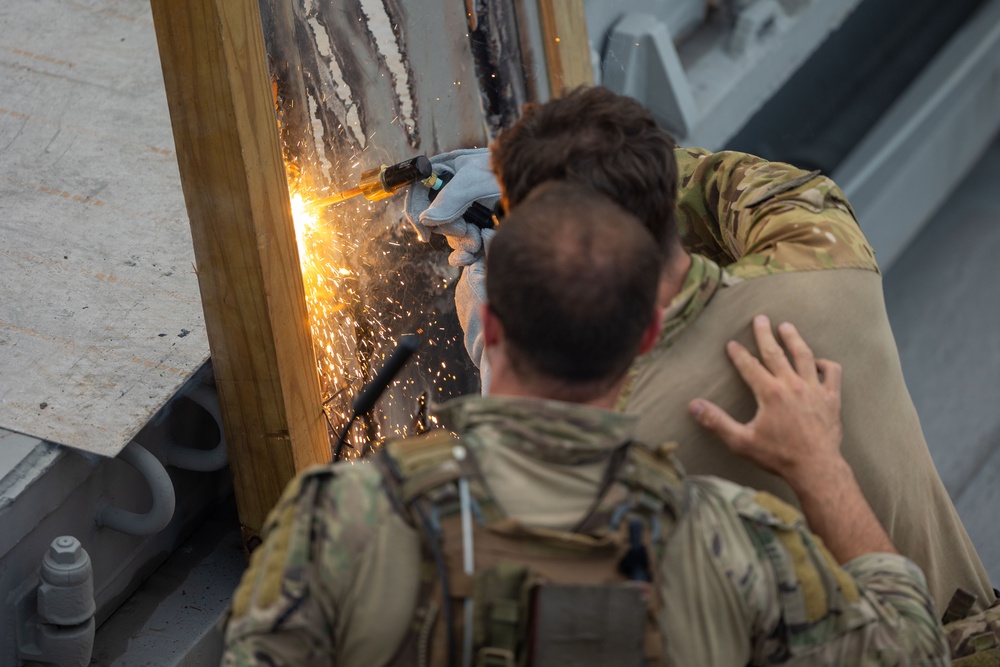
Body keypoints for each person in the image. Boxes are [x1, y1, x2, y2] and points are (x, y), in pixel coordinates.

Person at [222, 183, 947, 666]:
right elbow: (911, 650)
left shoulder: (334, 520)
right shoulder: (738, 540)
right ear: (645, 335)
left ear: (490, 325)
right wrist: (823, 468)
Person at [403, 86, 996, 616]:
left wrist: (503, 345)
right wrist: (589, 182)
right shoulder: (831, 263)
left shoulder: (622, 447)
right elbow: (745, 186)